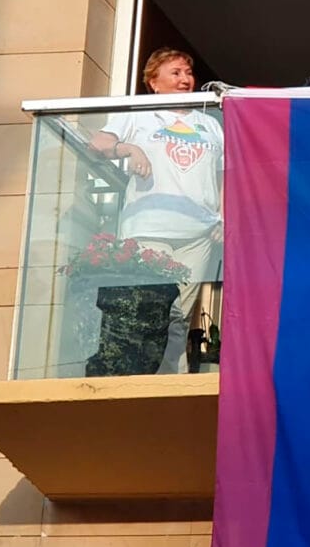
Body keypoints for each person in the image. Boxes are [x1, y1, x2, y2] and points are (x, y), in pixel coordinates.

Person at [88, 48, 224, 374]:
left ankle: (171, 381)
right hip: (149, 227)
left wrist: (224, 217)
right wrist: (128, 148)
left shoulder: (210, 124)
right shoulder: (139, 115)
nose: (185, 79)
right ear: (154, 82)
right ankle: (142, 378)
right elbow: (97, 144)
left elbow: (223, 176)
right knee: (153, 312)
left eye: (188, 73)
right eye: (175, 73)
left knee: (179, 317)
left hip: (198, 234)